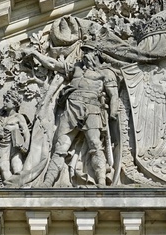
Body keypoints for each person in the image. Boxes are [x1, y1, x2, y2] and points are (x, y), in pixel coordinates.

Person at [44, 45, 121, 187]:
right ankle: (48, 182)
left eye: (89, 51)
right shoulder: (77, 68)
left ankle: (101, 181)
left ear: (96, 52)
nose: (85, 54)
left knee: (95, 144)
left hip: (92, 109)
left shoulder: (106, 72)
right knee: (60, 146)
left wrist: (112, 114)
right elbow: (53, 65)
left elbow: (114, 95)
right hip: (71, 108)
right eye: (84, 51)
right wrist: (35, 54)